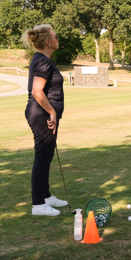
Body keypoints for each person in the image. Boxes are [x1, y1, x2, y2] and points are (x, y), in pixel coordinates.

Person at [23, 24, 68, 216]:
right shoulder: (43, 62)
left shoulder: (44, 60)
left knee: (47, 155)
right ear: (48, 42)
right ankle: (38, 204)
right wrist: (52, 112)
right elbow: (36, 91)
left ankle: (46, 196)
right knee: (42, 157)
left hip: (45, 114)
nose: (58, 39)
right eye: (56, 36)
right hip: (41, 114)